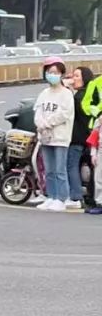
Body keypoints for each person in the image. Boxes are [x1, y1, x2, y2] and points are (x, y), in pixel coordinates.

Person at [34, 57, 75, 211]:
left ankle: (61, 198)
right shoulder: (44, 93)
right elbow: (38, 111)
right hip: (45, 137)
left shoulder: (66, 94)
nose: (52, 75)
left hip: (60, 137)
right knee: (49, 170)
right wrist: (40, 124)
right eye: (49, 72)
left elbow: (64, 114)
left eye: (55, 72)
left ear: (62, 74)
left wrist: (47, 123)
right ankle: (51, 196)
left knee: (59, 169)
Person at [67, 65, 95, 210]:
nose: (73, 79)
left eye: (77, 76)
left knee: (72, 165)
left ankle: (75, 196)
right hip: (87, 137)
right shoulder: (88, 94)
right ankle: (88, 195)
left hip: (77, 137)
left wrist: (68, 90)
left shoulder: (80, 96)